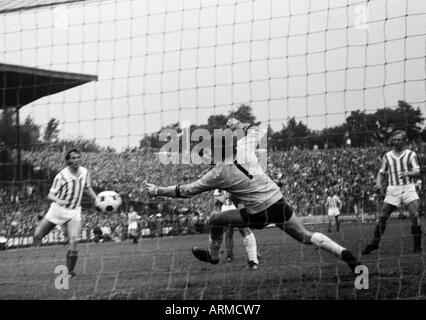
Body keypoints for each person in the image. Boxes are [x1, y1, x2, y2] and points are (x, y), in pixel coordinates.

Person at [145, 118, 360, 274]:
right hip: (279, 203)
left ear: (218, 152)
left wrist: (157, 191)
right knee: (305, 236)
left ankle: (213, 256)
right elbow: (258, 130)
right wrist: (238, 123)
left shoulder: (217, 174)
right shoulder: (243, 146)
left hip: (259, 214)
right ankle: (345, 254)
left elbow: (185, 191)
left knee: (215, 219)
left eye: (209, 152)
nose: (206, 156)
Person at [33, 149, 99, 277]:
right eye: (73, 158)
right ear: (68, 161)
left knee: (74, 240)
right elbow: (50, 195)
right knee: (38, 235)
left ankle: (69, 272)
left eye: (78, 157)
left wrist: (95, 198)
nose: (76, 160)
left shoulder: (85, 172)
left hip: (74, 211)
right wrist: (58, 200)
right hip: (57, 210)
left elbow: (87, 187)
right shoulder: (61, 176)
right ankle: (57, 229)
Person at [362, 130, 423, 255]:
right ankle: (374, 244)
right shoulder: (387, 156)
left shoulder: (411, 154)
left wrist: (409, 173)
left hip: (408, 188)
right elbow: (380, 172)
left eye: (399, 140)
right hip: (393, 189)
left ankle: (417, 246)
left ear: (404, 141)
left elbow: (417, 171)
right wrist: (378, 184)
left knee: (415, 216)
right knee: (383, 216)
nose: (396, 142)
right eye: (394, 140)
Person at [214, 189, 259, 269]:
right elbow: (217, 202)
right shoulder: (218, 189)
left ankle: (253, 255)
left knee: (243, 229)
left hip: (235, 207)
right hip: (226, 209)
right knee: (229, 232)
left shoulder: (229, 182)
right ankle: (230, 255)